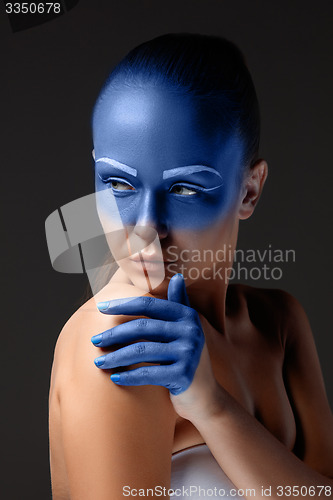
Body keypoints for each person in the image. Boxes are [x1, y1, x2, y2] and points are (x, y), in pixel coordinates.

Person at [48, 34, 333, 499]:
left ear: (249, 191)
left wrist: (214, 409)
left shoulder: (279, 323)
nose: (145, 226)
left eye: (184, 190)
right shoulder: (122, 343)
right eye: (118, 183)